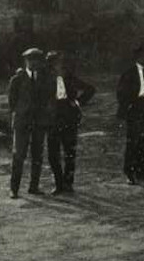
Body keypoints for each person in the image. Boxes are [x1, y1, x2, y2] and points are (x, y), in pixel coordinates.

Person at [46, 50, 97, 195]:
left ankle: (68, 184)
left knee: (69, 153)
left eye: (59, 64)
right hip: (53, 121)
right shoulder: (45, 80)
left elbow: (90, 89)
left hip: (69, 119)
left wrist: (78, 102)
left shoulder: (70, 78)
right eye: (53, 64)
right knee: (53, 155)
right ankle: (58, 184)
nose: (57, 67)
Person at [7, 47, 55, 198]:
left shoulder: (45, 79)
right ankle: (14, 189)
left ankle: (33, 187)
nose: (33, 63)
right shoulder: (17, 79)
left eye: (36, 60)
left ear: (40, 62)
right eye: (30, 60)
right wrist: (22, 112)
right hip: (22, 123)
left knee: (37, 156)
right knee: (18, 156)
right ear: (25, 61)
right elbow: (12, 102)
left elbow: (49, 96)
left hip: (39, 123)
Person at [116, 43, 144, 185]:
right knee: (133, 142)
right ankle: (129, 172)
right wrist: (127, 107)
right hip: (134, 109)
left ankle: (141, 170)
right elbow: (121, 93)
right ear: (138, 57)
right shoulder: (128, 73)